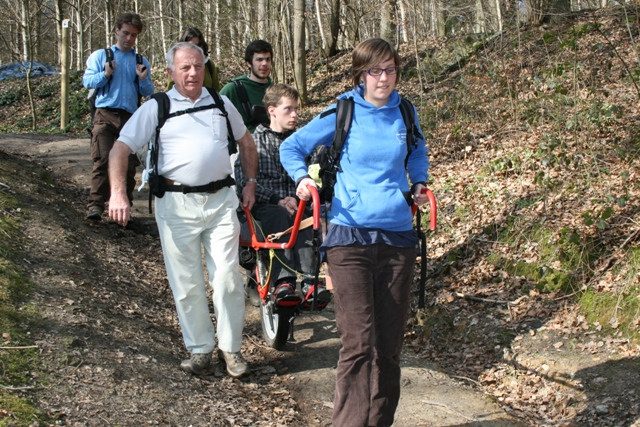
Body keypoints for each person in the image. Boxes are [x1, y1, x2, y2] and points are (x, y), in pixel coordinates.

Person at [280, 38, 430, 426]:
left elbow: (417, 149)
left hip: (397, 239)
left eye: (391, 69)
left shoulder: (406, 112)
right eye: (374, 70)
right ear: (360, 74)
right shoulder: (342, 111)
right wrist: (302, 181)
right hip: (349, 238)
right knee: (358, 344)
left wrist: (419, 182)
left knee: (389, 348)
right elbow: (292, 147)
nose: (384, 78)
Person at [107, 42, 258, 379]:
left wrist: (249, 183)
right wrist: (118, 192)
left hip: (221, 202)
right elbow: (120, 148)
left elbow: (246, 142)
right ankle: (201, 348)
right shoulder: (157, 107)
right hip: (175, 205)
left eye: (198, 66)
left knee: (227, 279)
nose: (192, 73)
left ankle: (231, 350)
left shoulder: (221, 102)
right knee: (187, 282)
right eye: (185, 67)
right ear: (170, 72)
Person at [235, 84, 330, 308]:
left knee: (308, 218)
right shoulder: (254, 143)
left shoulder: (302, 143)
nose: (295, 114)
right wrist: (278, 199)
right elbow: (245, 183)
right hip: (263, 207)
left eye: (296, 109)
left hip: (297, 203)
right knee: (279, 215)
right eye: (288, 109)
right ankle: (283, 282)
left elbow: (314, 174)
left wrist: (297, 199)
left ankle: (310, 282)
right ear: (272, 110)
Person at [82, 12, 154, 221]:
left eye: (133, 35)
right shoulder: (101, 56)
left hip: (130, 118)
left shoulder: (140, 61)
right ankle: (95, 206)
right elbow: (87, 82)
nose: (129, 38)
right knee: (102, 159)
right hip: (104, 114)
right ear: (116, 31)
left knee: (129, 165)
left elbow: (148, 91)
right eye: (125, 33)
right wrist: (105, 75)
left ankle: (125, 208)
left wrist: (143, 78)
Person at [220, 39, 273, 132]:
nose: (264, 64)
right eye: (259, 59)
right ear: (249, 63)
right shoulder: (232, 89)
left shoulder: (275, 91)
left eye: (268, 59)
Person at [168, 27, 221, 91]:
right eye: (191, 45)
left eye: (197, 45)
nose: (195, 48)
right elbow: (171, 90)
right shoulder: (176, 64)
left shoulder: (208, 64)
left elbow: (217, 90)